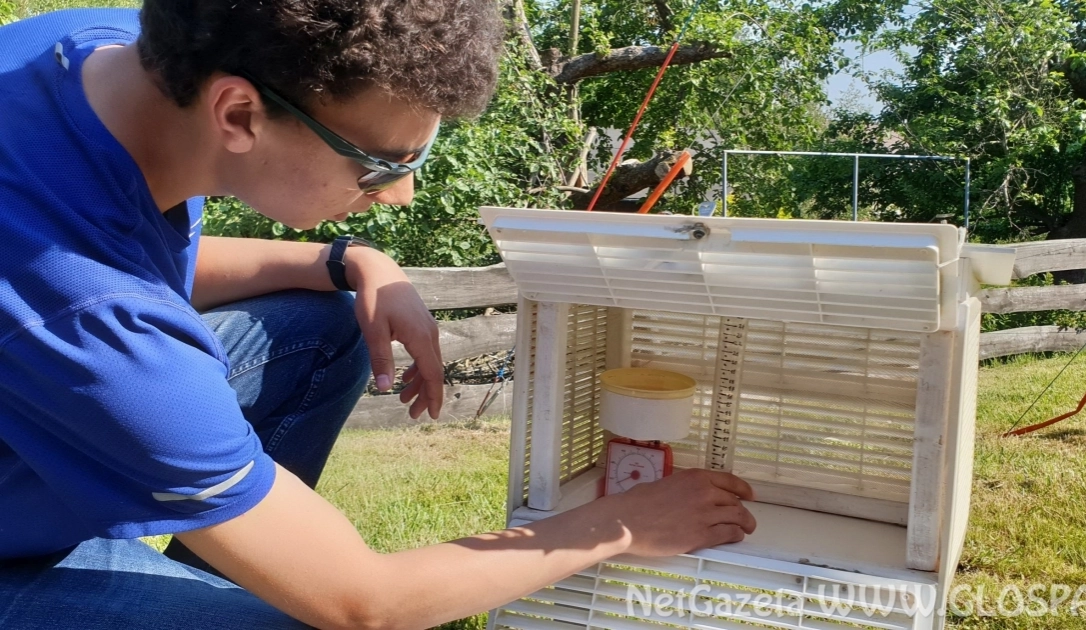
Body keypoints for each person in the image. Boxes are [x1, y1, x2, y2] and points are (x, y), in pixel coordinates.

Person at [0, 3, 757, 628]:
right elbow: (366, 603)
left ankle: (238, 561)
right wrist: (620, 525)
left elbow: (140, 253)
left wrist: (347, 259)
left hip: (35, 428)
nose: (401, 196)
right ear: (240, 113)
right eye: (382, 166)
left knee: (325, 326)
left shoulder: (101, 54)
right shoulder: (89, 315)